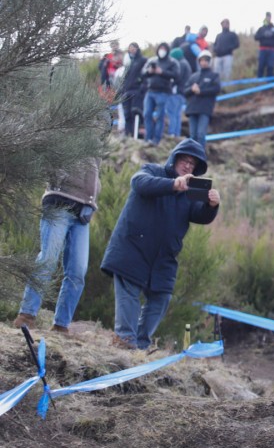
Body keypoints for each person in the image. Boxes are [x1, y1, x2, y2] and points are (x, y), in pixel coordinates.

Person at [101, 140, 220, 350]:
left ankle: (141, 344)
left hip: (164, 258)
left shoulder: (190, 193)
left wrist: (212, 205)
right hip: (132, 250)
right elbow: (139, 183)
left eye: (193, 164)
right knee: (129, 297)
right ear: (175, 157)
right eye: (185, 160)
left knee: (161, 299)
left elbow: (200, 215)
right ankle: (125, 343)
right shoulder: (151, 170)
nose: (188, 167)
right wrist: (174, 185)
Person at [12, 158, 101, 334]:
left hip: (83, 211)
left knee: (78, 271)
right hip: (58, 203)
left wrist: (91, 200)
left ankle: (61, 325)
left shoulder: (97, 139)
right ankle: (26, 316)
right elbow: (46, 153)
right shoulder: (67, 129)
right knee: (48, 259)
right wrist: (59, 181)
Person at [141, 43, 177, 146]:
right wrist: (149, 71)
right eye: (160, 48)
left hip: (163, 92)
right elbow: (143, 73)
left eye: (164, 49)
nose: (162, 50)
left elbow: (176, 75)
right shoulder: (152, 60)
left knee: (160, 116)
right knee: (147, 114)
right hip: (150, 91)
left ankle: (156, 139)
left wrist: (162, 72)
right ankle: (148, 138)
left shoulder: (172, 62)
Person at [184, 52, 221, 148]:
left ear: (209, 61)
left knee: (201, 134)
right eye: (202, 60)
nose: (204, 62)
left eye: (206, 60)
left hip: (205, 108)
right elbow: (185, 91)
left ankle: (200, 158)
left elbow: (216, 89)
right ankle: (192, 158)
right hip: (192, 108)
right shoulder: (193, 76)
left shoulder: (214, 76)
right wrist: (192, 89)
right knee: (193, 136)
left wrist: (201, 91)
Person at [119, 43, 147, 138]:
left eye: (133, 48)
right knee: (127, 115)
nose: (131, 50)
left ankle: (136, 136)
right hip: (127, 92)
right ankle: (128, 136)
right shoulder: (128, 62)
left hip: (137, 91)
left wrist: (141, 89)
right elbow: (125, 78)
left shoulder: (143, 60)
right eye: (130, 48)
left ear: (137, 49)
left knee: (136, 113)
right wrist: (122, 90)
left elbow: (146, 77)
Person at [166, 47, 191, 139]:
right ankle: (176, 133)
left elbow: (176, 78)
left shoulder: (180, 64)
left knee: (172, 113)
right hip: (182, 93)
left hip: (176, 92)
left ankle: (172, 133)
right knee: (177, 114)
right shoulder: (186, 63)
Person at [254, 12, 274, 78]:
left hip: (272, 50)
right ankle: (259, 81)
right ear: (265, 17)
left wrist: (272, 34)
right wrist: (263, 35)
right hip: (263, 50)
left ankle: (269, 83)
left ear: (271, 18)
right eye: (267, 16)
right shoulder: (261, 29)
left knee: (270, 66)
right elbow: (256, 37)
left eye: (269, 16)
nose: (268, 18)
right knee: (261, 66)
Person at [212, 18, 240, 83]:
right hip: (218, 57)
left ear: (229, 24)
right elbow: (215, 44)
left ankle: (227, 88)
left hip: (227, 56)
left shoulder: (232, 34)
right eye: (223, 23)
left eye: (226, 23)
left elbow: (237, 44)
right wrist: (215, 49)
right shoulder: (218, 35)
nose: (224, 25)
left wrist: (229, 48)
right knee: (217, 73)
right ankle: (217, 86)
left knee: (227, 73)